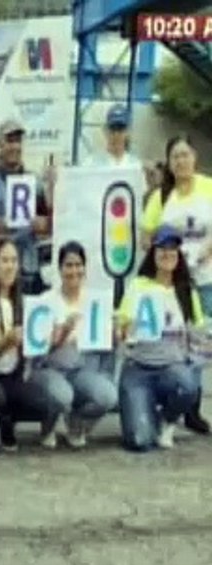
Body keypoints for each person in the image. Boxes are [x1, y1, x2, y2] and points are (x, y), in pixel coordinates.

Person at [0, 239, 67, 451]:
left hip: (14, 375)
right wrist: (4, 343)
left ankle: (8, 420)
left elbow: (35, 351)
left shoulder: (25, 302)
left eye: (14, 260)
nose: (10, 266)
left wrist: (53, 339)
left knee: (47, 401)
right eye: (4, 260)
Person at [141, 136, 212, 435]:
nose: (181, 161)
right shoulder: (161, 196)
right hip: (173, 284)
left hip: (206, 278)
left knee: (202, 345)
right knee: (177, 343)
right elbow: (146, 235)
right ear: (169, 162)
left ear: (194, 158)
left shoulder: (208, 187)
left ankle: (192, 407)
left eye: (185, 155)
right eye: (175, 156)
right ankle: (179, 403)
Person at [116, 226, 203, 451]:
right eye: (162, 248)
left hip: (171, 369)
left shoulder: (186, 290)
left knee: (188, 384)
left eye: (173, 248)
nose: (167, 253)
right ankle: (145, 415)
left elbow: (199, 332)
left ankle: (168, 419)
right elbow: (121, 323)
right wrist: (121, 330)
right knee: (139, 441)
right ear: (153, 253)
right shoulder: (138, 286)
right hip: (138, 369)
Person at [30, 243, 119, 448]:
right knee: (62, 394)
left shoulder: (95, 301)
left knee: (107, 396)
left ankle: (77, 422)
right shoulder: (46, 301)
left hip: (80, 370)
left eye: (78, 265)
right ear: (59, 269)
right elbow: (36, 351)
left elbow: (106, 343)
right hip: (50, 368)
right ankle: (48, 425)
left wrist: (115, 333)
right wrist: (61, 335)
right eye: (68, 265)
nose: (74, 270)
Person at [0, 119, 53, 295]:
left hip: (27, 267)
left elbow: (48, 223)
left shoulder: (35, 182)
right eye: (9, 141)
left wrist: (44, 224)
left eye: (18, 141)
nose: (14, 146)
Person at [84, 105, 142, 169]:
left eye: (120, 128)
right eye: (113, 128)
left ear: (128, 132)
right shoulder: (91, 164)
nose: (116, 134)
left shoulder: (135, 166)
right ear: (106, 131)